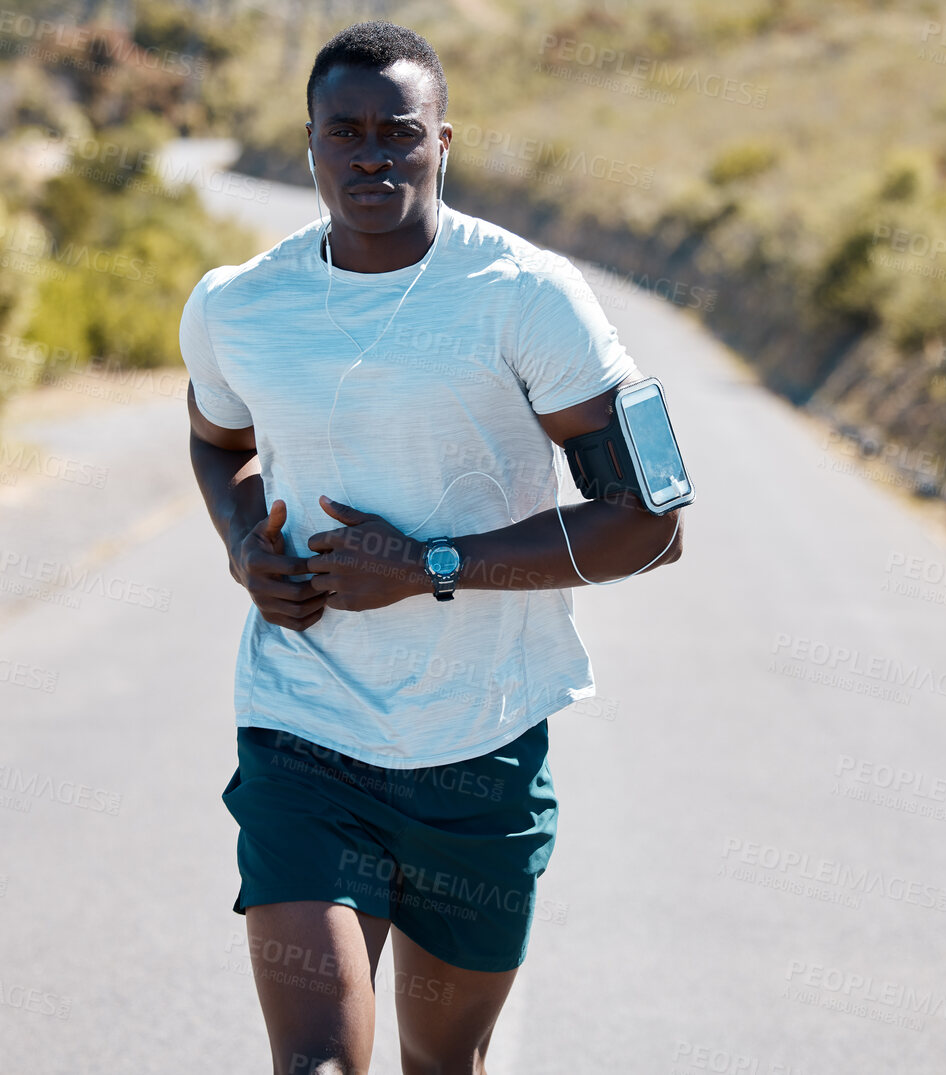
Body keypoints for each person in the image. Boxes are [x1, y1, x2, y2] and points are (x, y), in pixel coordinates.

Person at [181, 20, 689, 1075]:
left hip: (480, 746)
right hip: (302, 731)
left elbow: (650, 525)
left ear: (441, 141)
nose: (372, 154)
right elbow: (216, 438)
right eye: (345, 131)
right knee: (318, 1061)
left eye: (398, 132)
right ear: (310, 142)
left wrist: (429, 566)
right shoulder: (238, 305)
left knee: (438, 1064)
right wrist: (243, 543)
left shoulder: (527, 296)